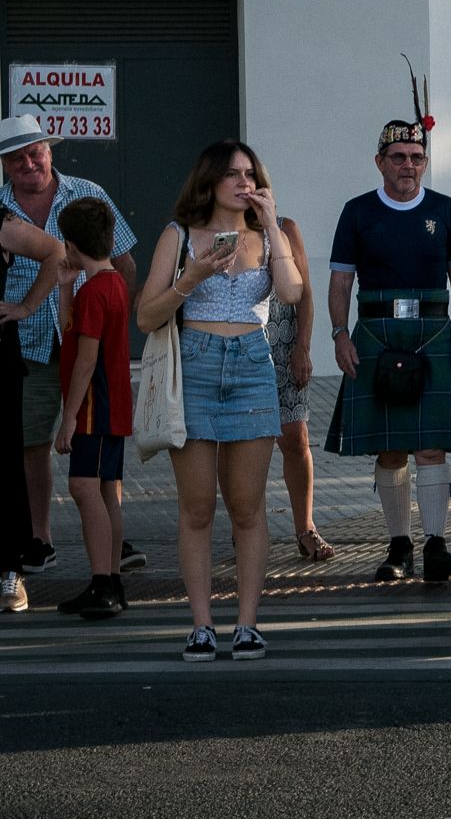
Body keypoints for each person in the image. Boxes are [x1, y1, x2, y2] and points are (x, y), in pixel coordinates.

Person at [135, 142, 305, 660]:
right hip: (197, 364)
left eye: (249, 174)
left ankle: (248, 623)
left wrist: (271, 222)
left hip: (253, 365)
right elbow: (146, 316)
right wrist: (194, 276)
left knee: (248, 507)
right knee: (198, 507)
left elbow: (292, 292)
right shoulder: (178, 234)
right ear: (208, 181)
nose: (242, 182)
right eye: (231, 174)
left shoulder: (264, 234)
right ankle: (202, 625)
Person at [326, 118, 451, 584]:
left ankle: (436, 544)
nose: (408, 165)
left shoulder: (445, 209)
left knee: (431, 446)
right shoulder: (357, 212)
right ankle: (398, 545)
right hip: (375, 331)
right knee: (390, 447)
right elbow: (340, 280)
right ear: (380, 163)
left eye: (416, 158)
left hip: (433, 330)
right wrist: (339, 333)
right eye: (398, 158)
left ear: (425, 163)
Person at [1, 115, 138, 577]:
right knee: (31, 443)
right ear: (4, 165)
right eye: (16, 157)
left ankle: (111, 542)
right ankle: (40, 538)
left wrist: (120, 324)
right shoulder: (0, 208)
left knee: (96, 441)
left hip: (90, 340)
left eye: (34, 151)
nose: (28, 163)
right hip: (30, 346)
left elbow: (125, 264)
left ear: (50, 150)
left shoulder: (88, 193)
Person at [53, 198, 136, 619]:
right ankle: (111, 581)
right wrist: (66, 283)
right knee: (105, 491)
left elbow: (85, 358)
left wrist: (67, 418)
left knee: (84, 488)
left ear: (70, 244)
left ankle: (103, 583)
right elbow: (73, 329)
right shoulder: (113, 282)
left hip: (92, 408)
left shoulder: (95, 294)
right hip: (111, 406)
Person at [0, 211, 63, 612]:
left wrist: (25, 307)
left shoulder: (2, 223)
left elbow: (56, 252)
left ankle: (9, 571)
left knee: (7, 467)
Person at [264, 203, 327, 563]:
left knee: (295, 437)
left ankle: (305, 527)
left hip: (285, 348)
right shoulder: (219, 227)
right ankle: (247, 525)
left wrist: (303, 347)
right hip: (243, 351)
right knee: (245, 447)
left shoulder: (286, 226)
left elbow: (304, 294)